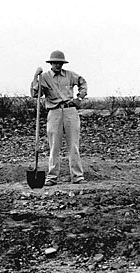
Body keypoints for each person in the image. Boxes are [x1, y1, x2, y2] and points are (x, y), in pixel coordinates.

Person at [30, 50, 87, 186]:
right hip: (54, 112)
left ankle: (77, 176)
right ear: (51, 63)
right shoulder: (43, 77)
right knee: (54, 145)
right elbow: (34, 94)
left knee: (73, 144)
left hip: (70, 111)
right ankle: (52, 177)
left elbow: (83, 83)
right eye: (55, 63)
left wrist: (79, 98)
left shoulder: (70, 75)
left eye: (60, 63)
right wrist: (35, 77)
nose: (58, 65)